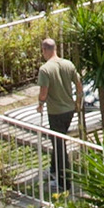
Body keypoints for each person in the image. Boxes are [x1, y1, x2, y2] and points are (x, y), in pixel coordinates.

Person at [36, 38, 85, 191]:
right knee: (56, 140)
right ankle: (53, 171)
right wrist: (78, 101)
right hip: (69, 110)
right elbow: (79, 84)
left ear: (44, 50)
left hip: (55, 112)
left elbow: (43, 93)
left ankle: (65, 183)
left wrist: (40, 104)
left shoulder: (45, 70)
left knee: (59, 145)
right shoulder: (68, 64)